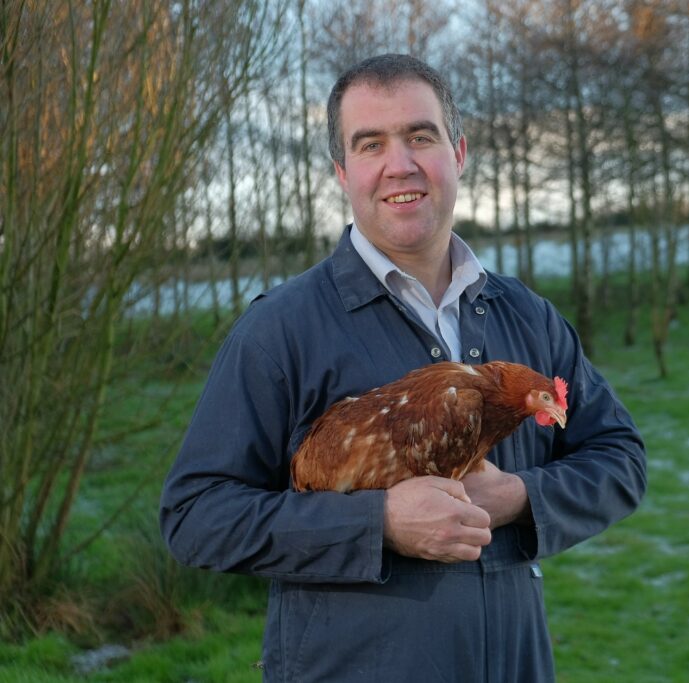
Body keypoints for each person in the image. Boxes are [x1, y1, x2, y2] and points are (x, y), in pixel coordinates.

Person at [160, 53, 646, 683]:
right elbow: (196, 516)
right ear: (343, 171)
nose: (400, 164)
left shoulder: (527, 316)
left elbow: (620, 459)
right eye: (371, 144)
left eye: (421, 136)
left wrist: (522, 497)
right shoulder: (282, 330)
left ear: (459, 151)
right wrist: (377, 522)